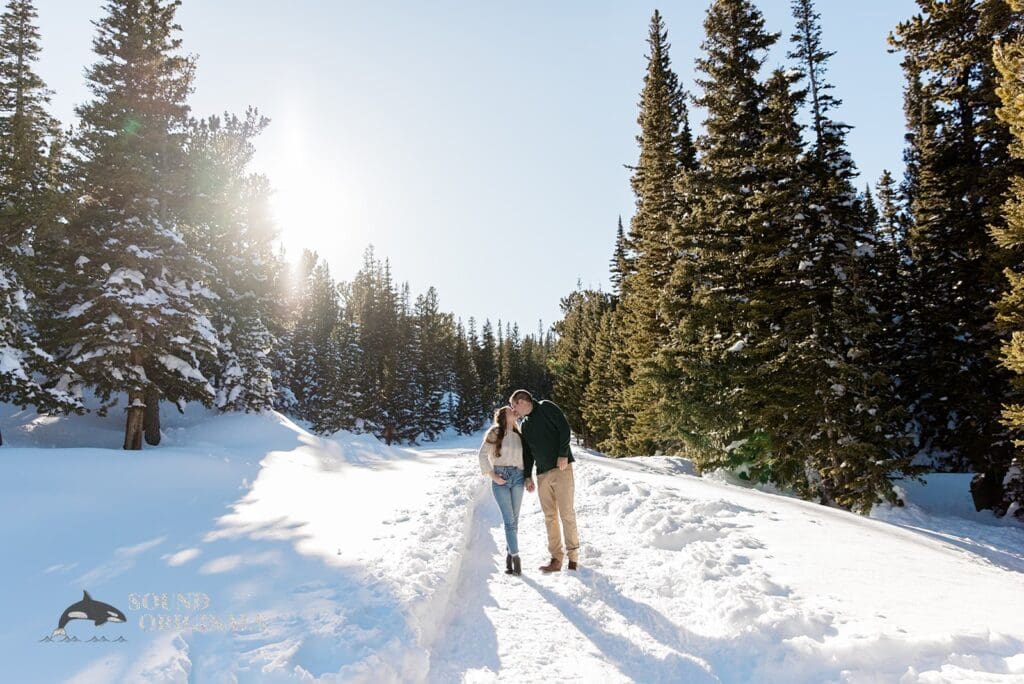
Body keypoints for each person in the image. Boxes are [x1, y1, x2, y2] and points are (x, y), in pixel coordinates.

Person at [509, 389, 579, 572]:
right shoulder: (525, 425)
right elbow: (528, 453)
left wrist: (563, 454)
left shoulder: (546, 407)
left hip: (561, 468)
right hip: (542, 475)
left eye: (513, 404)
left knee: (566, 514)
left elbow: (564, 428)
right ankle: (556, 558)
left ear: (522, 401)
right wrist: (527, 476)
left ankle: (573, 557)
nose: (512, 409)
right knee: (550, 517)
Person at [478, 405, 534, 576]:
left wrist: (527, 477)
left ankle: (509, 557)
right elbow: (482, 455)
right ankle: (516, 559)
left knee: (514, 521)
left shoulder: (519, 434)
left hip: (518, 477)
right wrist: (493, 476)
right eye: (510, 410)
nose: (514, 411)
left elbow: (526, 457)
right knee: (509, 521)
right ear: (503, 416)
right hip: (501, 477)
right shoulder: (495, 432)